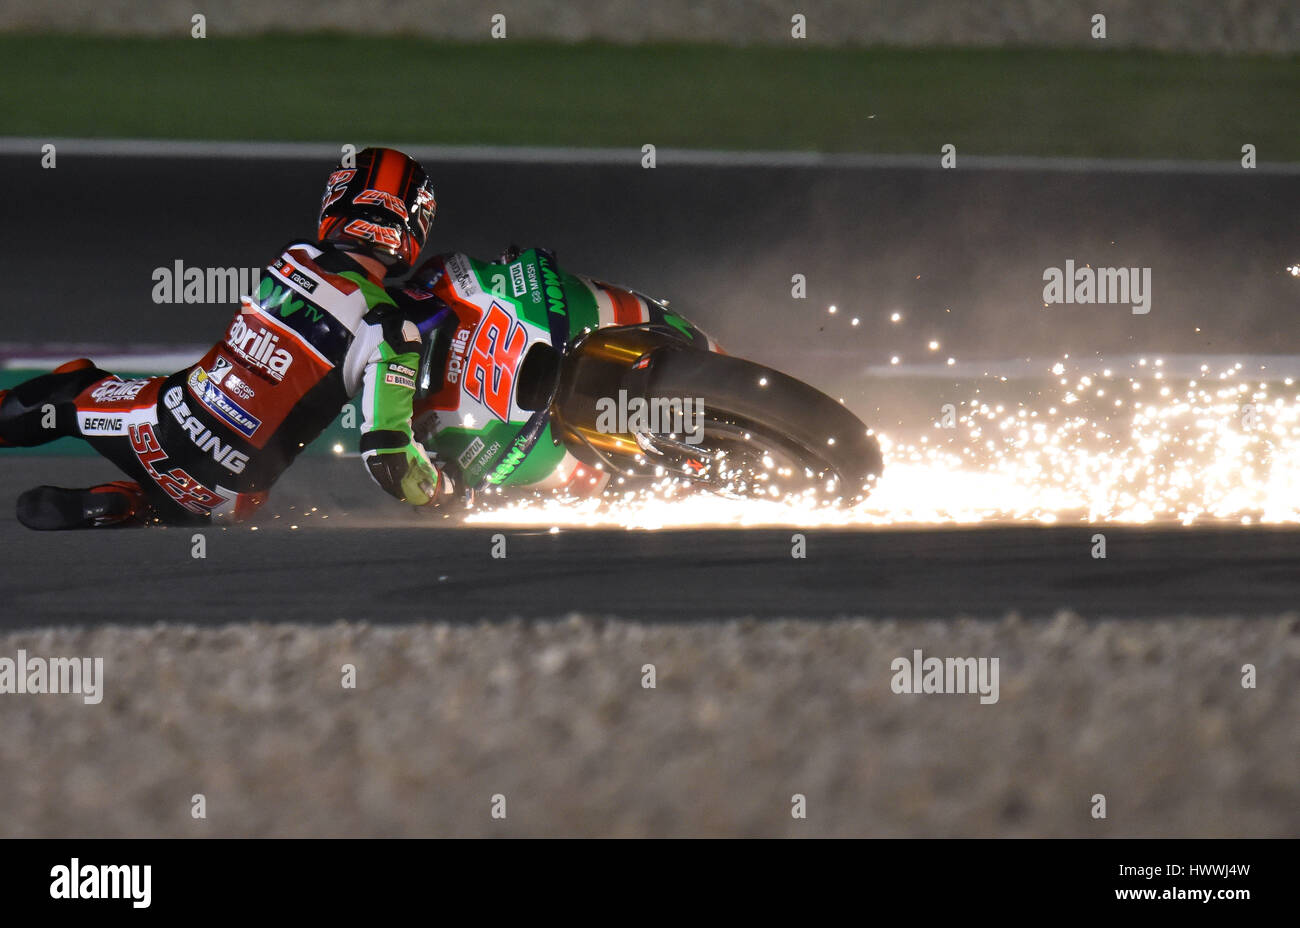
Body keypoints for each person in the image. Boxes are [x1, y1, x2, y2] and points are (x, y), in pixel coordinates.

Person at [0, 147, 452, 530]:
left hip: (158, 428)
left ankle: (121, 482)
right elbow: (388, 458)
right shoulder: (394, 332)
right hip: (233, 498)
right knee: (185, 490)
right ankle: (129, 501)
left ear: (339, 201)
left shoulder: (293, 258)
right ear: (414, 228)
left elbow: (341, 290)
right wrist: (444, 491)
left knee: (72, 382)